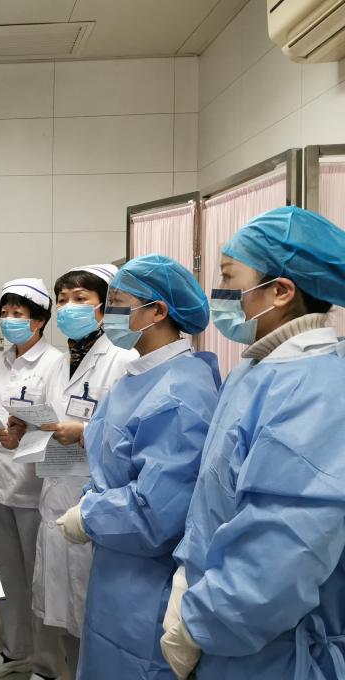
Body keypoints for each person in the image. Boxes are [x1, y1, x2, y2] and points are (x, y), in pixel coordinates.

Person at [161, 207, 345, 680]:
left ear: (281, 291)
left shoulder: (320, 389)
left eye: (228, 277)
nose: (218, 291)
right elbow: (216, 500)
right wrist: (187, 579)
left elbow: (282, 556)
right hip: (221, 620)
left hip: (274, 648)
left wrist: (201, 623)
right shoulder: (254, 371)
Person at [52, 255, 218, 680]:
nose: (106, 314)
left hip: (146, 583)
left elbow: (158, 512)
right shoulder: (139, 376)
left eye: (117, 303)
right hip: (117, 571)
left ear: (158, 311)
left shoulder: (180, 391)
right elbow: (112, 462)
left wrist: (89, 515)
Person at [7, 264, 136, 679]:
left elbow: (132, 432)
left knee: (89, 602)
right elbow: (47, 422)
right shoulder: (60, 363)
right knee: (58, 601)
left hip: (96, 496)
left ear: (104, 307)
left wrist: (83, 433)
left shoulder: (124, 358)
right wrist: (23, 429)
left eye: (80, 299)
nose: (67, 308)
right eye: (62, 300)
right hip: (56, 490)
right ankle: (56, 670)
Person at [0, 279, 65, 680]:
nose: (9, 320)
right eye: (4, 313)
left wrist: (23, 436)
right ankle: (14, 652)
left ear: (39, 320)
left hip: (33, 486)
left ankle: (45, 663)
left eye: (18, 313)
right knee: (6, 573)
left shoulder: (55, 363)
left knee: (39, 578)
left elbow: (57, 427)